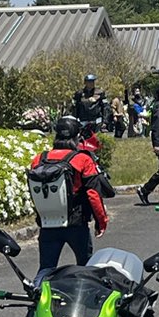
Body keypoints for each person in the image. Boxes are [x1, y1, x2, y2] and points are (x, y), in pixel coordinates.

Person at [29, 114, 111, 274]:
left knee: (46, 269)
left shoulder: (39, 159)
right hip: (76, 223)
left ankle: (39, 296)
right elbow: (93, 194)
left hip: (48, 223)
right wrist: (101, 221)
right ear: (77, 136)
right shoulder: (82, 159)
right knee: (86, 267)